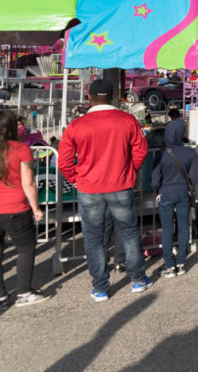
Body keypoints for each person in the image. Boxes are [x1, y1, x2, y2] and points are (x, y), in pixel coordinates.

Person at [58, 79, 151, 301]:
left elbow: (64, 161)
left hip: (89, 187)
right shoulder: (127, 120)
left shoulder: (77, 125)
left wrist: (76, 179)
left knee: (94, 238)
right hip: (120, 184)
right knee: (128, 232)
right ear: (113, 97)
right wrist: (130, 171)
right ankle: (138, 279)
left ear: (89, 96)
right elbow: (140, 151)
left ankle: (100, 286)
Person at [0, 110, 48, 307]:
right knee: (25, 249)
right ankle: (24, 292)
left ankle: (1, 295)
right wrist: (36, 208)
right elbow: (28, 183)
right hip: (16, 207)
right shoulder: (21, 149)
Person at [150, 117, 198, 278]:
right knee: (183, 227)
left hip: (165, 193)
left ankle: (169, 264)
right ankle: (181, 262)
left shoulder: (161, 155)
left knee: (167, 229)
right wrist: (189, 184)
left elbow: (154, 180)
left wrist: (157, 190)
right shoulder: (190, 152)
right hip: (183, 192)